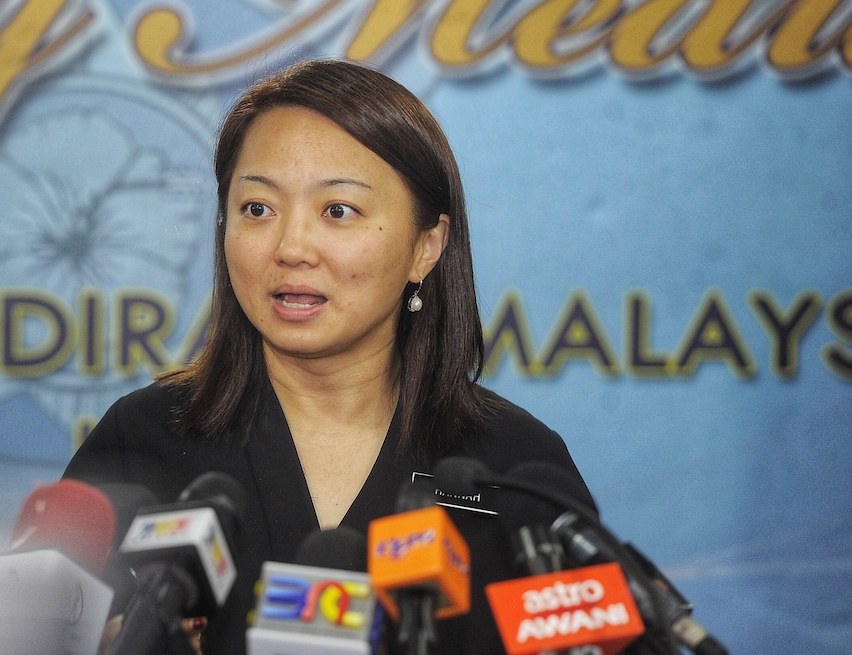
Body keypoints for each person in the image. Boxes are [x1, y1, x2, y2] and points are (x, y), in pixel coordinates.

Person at [64, 58, 596, 654]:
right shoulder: (141, 441)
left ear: (427, 246)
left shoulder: (514, 468)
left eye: (337, 211)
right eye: (257, 209)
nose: (291, 247)